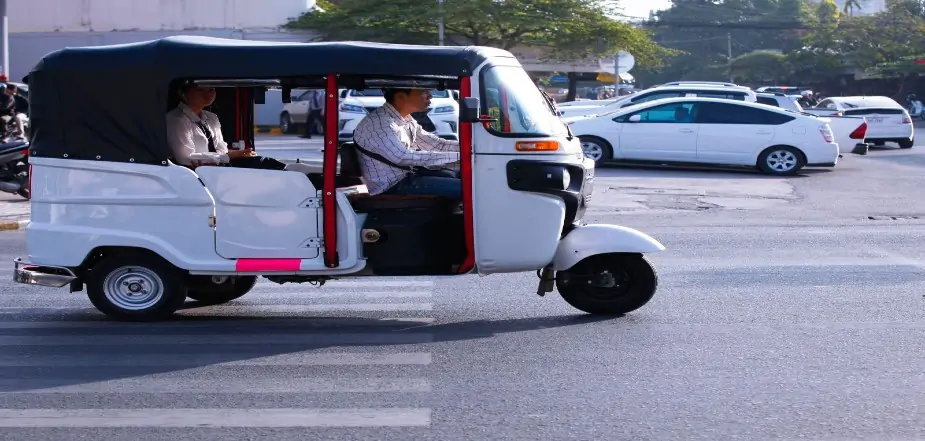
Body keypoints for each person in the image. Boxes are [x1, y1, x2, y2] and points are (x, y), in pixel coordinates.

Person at [352, 87, 461, 199]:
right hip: (392, 185)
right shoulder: (380, 123)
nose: (430, 95)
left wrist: (471, 149)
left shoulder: (404, 119)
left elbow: (436, 144)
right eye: (423, 91)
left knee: (466, 177)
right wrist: (458, 157)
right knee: (468, 188)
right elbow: (402, 156)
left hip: (408, 176)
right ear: (401, 97)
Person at [166, 82, 302, 172]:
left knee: (265, 163)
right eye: (200, 89)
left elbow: (221, 148)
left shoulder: (211, 117)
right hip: (198, 174)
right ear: (182, 92)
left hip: (220, 168)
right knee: (262, 164)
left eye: (212, 89)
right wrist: (227, 157)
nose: (208, 94)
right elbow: (184, 157)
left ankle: (299, 171)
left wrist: (233, 156)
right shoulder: (176, 119)